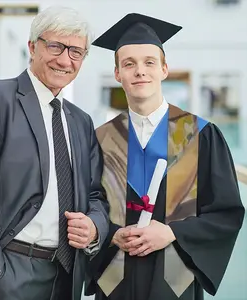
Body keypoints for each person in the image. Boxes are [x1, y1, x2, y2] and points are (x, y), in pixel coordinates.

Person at [0, 6, 109, 300]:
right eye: (56, 46)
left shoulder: (81, 121)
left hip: (64, 276)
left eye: (76, 52)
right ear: (33, 46)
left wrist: (94, 227)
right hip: (5, 271)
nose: (64, 60)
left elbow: (95, 194)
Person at [85, 13, 245, 300]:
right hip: (115, 281)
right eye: (129, 64)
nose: (140, 71)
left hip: (174, 282)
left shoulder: (200, 135)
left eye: (149, 62)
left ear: (164, 69)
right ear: (118, 74)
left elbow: (226, 213)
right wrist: (111, 234)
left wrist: (173, 233)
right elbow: (87, 205)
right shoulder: (100, 139)